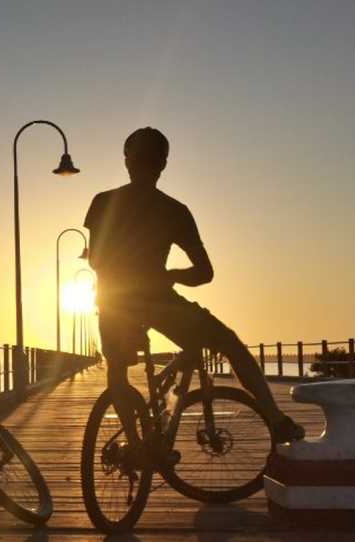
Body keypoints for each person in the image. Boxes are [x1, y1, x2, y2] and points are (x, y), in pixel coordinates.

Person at [84, 127, 303, 464]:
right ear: (164, 164)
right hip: (160, 301)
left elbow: (96, 260)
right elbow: (205, 273)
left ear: (127, 160)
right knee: (229, 343)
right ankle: (276, 420)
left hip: (114, 301)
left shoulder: (102, 202)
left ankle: (136, 446)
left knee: (118, 371)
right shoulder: (175, 210)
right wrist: (165, 275)